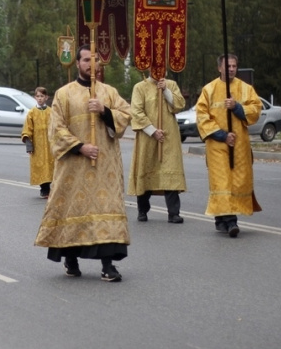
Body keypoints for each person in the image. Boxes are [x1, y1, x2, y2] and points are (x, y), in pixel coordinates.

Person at [34, 45, 131, 281]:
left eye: (95, 60)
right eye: (86, 60)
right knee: (72, 210)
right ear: (78, 63)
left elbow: (126, 115)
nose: (91, 64)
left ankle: (108, 266)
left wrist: (105, 110)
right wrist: (80, 147)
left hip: (104, 167)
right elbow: (55, 129)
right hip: (74, 166)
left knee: (107, 209)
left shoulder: (108, 92)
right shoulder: (64, 94)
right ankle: (70, 258)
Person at [195, 54, 262, 238]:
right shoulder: (209, 90)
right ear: (219, 68)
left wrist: (237, 107)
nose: (231, 69)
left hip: (239, 144)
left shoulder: (245, 88)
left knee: (236, 180)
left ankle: (222, 219)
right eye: (228, 66)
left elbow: (256, 108)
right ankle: (231, 221)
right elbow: (201, 117)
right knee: (222, 182)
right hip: (217, 145)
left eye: (234, 66)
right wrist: (222, 135)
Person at [127, 74, 187, 223]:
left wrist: (166, 90)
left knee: (170, 171)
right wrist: (152, 131)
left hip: (169, 136)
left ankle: (174, 213)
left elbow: (179, 105)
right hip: (148, 137)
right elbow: (136, 111)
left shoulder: (171, 84)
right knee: (146, 168)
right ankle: (142, 210)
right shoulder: (140, 87)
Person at [21, 87, 54, 199]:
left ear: (46, 97)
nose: (40, 99)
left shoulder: (51, 112)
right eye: (38, 96)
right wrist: (29, 146)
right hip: (38, 145)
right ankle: (44, 190)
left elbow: (56, 127)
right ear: (35, 97)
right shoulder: (31, 113)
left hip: (50, 144)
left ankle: (50, 188)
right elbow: (27, 130)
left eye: (42, 96)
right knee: (40, 166)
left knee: (50, 166)